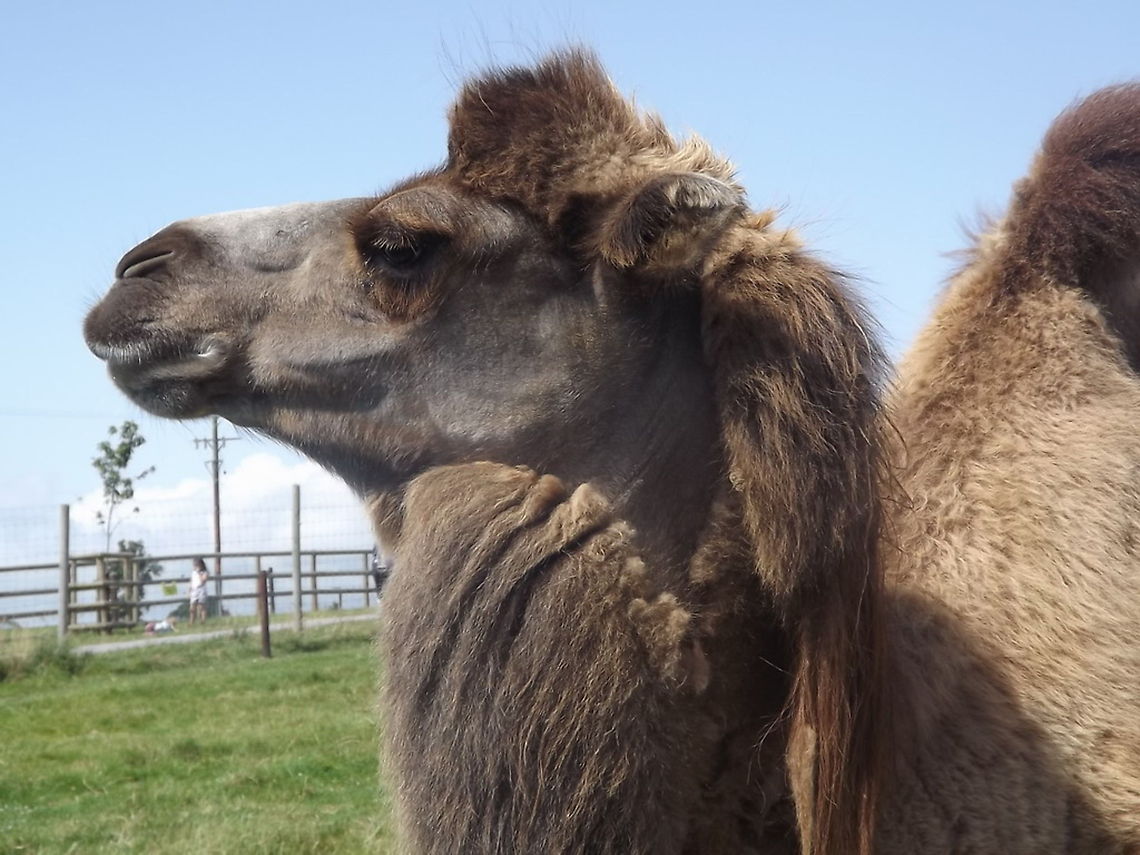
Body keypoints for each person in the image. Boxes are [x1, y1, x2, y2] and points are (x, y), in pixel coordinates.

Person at [188, 557, 209, 624]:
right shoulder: (193, 572)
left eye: (196, 564)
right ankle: (191, 621)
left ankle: (202, 621)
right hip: (194, 590)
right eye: (194, 565)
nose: (195, 566)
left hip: (201, 589)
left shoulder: (204, 572)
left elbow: (203, 580)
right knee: (192, 607)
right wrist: (190, 587)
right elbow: (192, 580)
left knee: (201, 606)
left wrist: (199, 573)